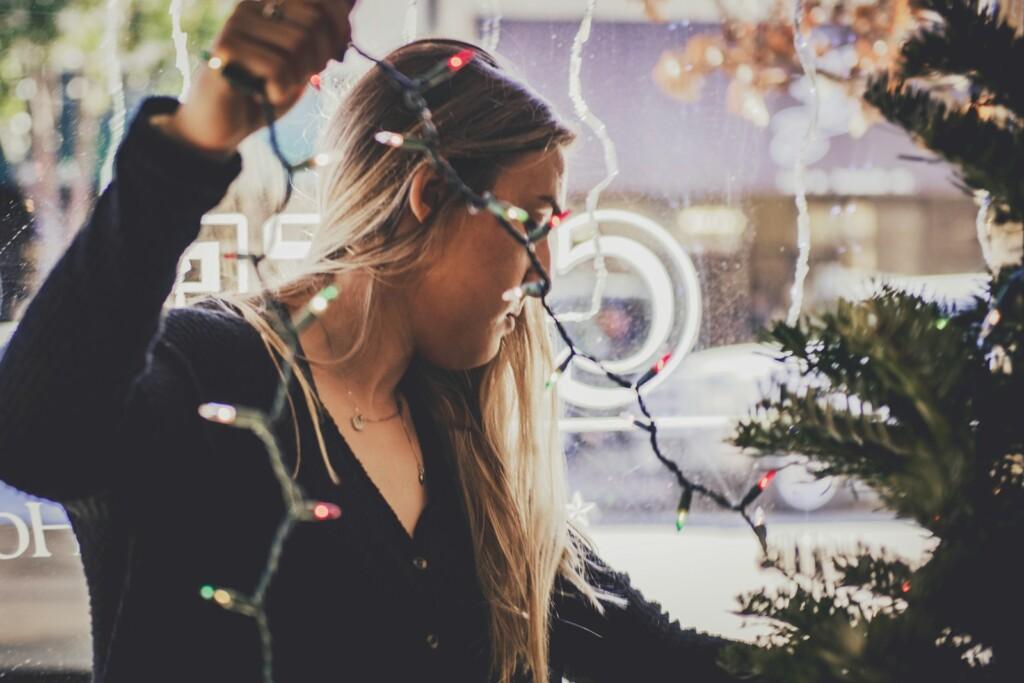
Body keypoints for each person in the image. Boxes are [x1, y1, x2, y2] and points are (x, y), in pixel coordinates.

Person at [0, 1, 752, 681]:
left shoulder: (462, 452)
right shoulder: (210, 375)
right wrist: (194, 141)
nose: (545, 274)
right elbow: (35, 436)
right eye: (529, 223)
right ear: (428, 198)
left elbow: (651, 648)